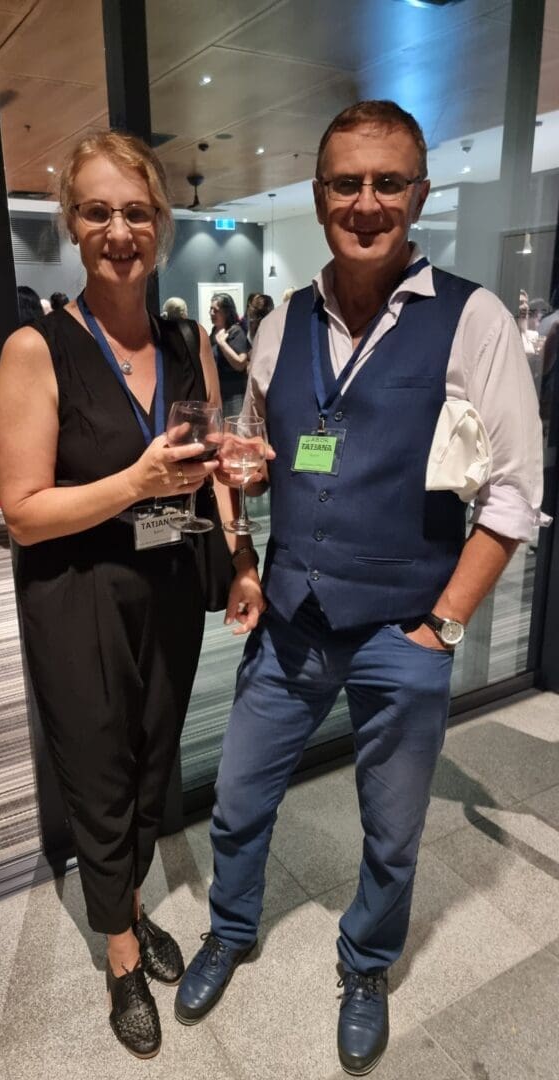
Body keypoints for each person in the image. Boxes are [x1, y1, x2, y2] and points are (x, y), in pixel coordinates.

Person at [175, 100, 546, 1075]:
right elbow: (252, 452)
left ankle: (366, 964)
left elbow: (512, 495)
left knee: (390, 829)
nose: (366, 202)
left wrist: (443, 624)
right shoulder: (282, 319)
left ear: (418, 195)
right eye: (346, 182)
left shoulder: (469, 319)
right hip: (292, 619)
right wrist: (247, 544)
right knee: (240, 796)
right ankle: (230, 927)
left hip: (404, 628)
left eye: (388, 182)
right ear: (318, 193)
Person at [0, 130, 262, 1060]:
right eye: (98, 210)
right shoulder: (37, 348)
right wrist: (133, 487)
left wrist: (241, 542)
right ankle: (117, 954)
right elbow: (22, 512)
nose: (119, 229)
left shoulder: (191, 341)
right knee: (99, 775)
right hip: (78, 593)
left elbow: (216, 463)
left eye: (137, 211)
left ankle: (132, 904)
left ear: (161, 224)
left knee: (151, 767)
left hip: (171, 582)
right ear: (73, 224)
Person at [209, 292, 250, 415]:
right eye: (210, 309)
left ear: (226, 313)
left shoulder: (235, 332)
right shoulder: (213, 332)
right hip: (219, 393)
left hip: (233, 395)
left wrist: (222, 343)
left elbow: (240, 363)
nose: (211, 313)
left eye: (215, 310)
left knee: (232, 431)